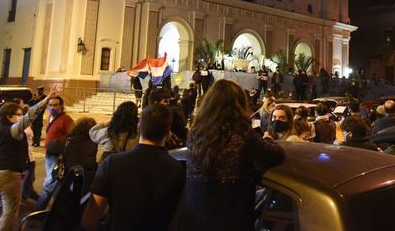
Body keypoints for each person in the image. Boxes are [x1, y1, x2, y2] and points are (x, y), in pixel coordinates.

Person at [176, 79, 284, 231]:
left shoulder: (196, 133)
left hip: (196, 213)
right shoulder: (241, 131)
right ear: (238, 104)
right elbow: (275, 155)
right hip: (230, 213)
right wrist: (268, 141)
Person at [82, 104, 184, 231]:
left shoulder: (112, 163)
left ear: (139, 127)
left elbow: (90, 219)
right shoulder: (177, 169)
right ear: (168, 133)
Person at [0, 90, 54, 231]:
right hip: (8, 176)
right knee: (10, 213)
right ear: (9, 116)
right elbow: (30, 116)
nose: (21, 116)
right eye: (18, 114)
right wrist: (46, 99)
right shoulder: (13, 130)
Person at [34, 95, 75, 211]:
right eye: (50, 105)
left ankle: (38, 209)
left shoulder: (66, 119)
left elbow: (72, 137)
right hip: (49, 154)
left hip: (57, 155)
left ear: (61, 106)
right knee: (56, 182)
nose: (52, 107)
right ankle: (61, 207)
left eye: (56, 105)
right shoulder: (50, 117)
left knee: (49, 183)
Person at [48, 117, 98, 195]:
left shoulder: (68, 141)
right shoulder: (94, 143)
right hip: (86, 179)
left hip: (68, 177)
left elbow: (50, 147)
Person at [13, 99, 39, 202]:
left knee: (29, 180)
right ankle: (38, 201)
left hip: (28, 157)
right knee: (27, 183)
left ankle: (25, 196)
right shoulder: (18, 127)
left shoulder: (24, 126)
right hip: (26, 159)